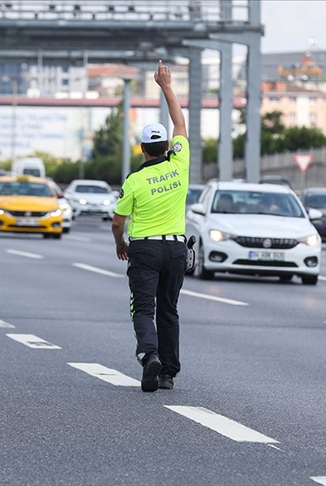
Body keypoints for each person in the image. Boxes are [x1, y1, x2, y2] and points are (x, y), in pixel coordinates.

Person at [112, 60, 189, 393]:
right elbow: (180, 122)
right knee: (169, 309)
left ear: (143, 149)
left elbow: (118, 222)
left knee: (144, 308)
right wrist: (166, 87)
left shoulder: (135, 180)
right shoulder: (180, 163)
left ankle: (149, 354)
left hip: (144, 249)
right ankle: (168, 373)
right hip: (176, 248)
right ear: (167, 146)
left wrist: (120, 243)